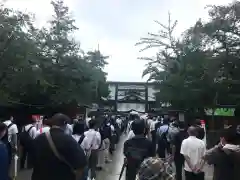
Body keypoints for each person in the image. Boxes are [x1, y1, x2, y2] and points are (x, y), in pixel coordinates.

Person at [32, 113, 87, 180]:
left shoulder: (39, 138)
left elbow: (32, 159)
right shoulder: (69, 140)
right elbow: (81, 163)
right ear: (65, 125)